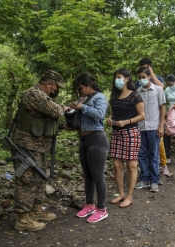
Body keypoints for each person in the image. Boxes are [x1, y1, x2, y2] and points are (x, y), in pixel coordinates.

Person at [10, 70, 69, 231]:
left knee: (39, 179)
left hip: (37, 146)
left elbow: (44, 120)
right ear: (49, 83)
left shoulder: (41, 96)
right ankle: (22, 218)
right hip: (26, 145)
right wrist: (66, 107)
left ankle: (35, 210)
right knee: (26, 180)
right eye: (56, 87)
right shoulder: (34, 94)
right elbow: (56, 111)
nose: (56, 90)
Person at [67, 73, 109, 223]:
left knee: (98, 176)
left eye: (81, 88)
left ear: (89, 86)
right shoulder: (82, 99)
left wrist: (82, 107)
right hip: (83, 140)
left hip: (96, 140)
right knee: (88, 176)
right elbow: (80, 119)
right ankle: (90, 204)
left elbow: (99, 114)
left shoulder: (99, 98)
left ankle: (102, 209)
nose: (79, 91)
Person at [106, 68, 145, 208]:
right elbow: (112, 114)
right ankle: (121, 193)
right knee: (117, 166)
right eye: (116, 78)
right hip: (117, 134)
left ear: (127, 79)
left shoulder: (134, 96)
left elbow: (142, 115)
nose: (117, 80)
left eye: (120, 77)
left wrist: (126, 122)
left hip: (131, 133)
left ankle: (129, 196)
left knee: (131, 167)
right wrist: (110, 119)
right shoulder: (114, 97)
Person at [136, 58, 169, 176]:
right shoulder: (137, 89)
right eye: (140, 77)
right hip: (141, 126)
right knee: (142, 153)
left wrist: (161, 125)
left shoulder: (158, 84)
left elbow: (161, 89)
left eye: (144, 76)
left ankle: (156, 176)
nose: (141, 79)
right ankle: (144, 176)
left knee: (155, 152)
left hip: (154, 124)